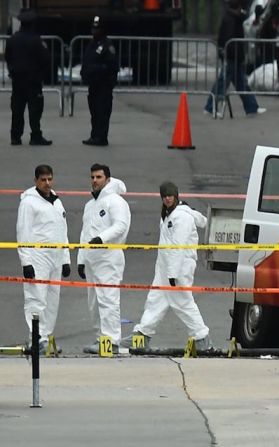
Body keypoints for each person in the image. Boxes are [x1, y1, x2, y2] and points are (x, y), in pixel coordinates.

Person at [122, 182, 212, 350]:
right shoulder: (168, 214)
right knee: (155, 301)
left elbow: (178, 247)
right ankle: (142, 335)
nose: (167, 199)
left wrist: (173, 274)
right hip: (165, 268)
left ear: (176, 196)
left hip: (178, 269)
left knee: (183, 303)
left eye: (170, 195)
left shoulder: (182, 217)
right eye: (164, 196)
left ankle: (202, 338)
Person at [77, 164, 131, 354]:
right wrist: (81, 260)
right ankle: (101, 338)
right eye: (92, 177)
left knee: (108, 299)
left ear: (107, 179)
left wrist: (102, 238)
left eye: (98, 177)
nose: (94, 180)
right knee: (94, 302)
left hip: (109, 257)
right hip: (92, 259)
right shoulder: (90, 204)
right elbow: (85, 233)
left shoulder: (115, 201)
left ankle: (112, 340)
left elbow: (121, 225)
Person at [16, 165, 70, 353]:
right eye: (43, 180)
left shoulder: (56, 201)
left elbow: (63, 231)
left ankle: (45, 337)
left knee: (52, 299)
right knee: (36, 298)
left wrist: (65, 258)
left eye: (50, 179)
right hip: (38, 257)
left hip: (55, 256)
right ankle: (35, 337)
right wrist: (26, 262)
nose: (47, 183)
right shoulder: (29, 203)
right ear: (36, 180)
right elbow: (22, 232)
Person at [204, 0, 266, 117]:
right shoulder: (231, 20)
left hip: (233, 56)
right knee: (223, 83)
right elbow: (229, 41)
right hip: (232, 56)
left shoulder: (233, 18)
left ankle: (252, 107)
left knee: (241, 83)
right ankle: (210, 106)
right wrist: (233, 55)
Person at [5, 10, 52, 146]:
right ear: (32, 24)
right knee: (35, 110)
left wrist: (12, 70)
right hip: (33, 81)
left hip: (17, 80)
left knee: (17, 109)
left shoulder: (12, 39)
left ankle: (15, 136)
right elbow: (46, 59)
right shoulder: (36, 40)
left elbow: (8, 57)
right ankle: (35, 135)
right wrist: (41, 74)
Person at [80, 16, 118, 146]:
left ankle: (101, 137)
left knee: (102, 111)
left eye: (97, 29)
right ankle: (94, 135)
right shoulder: (92, 44)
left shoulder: (107, 45)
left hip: (104, 85)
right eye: (93, 28)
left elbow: (112, 66)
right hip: (93, 84)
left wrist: (97, 71)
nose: (94, 31)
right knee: (94, 112)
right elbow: (87, 61)